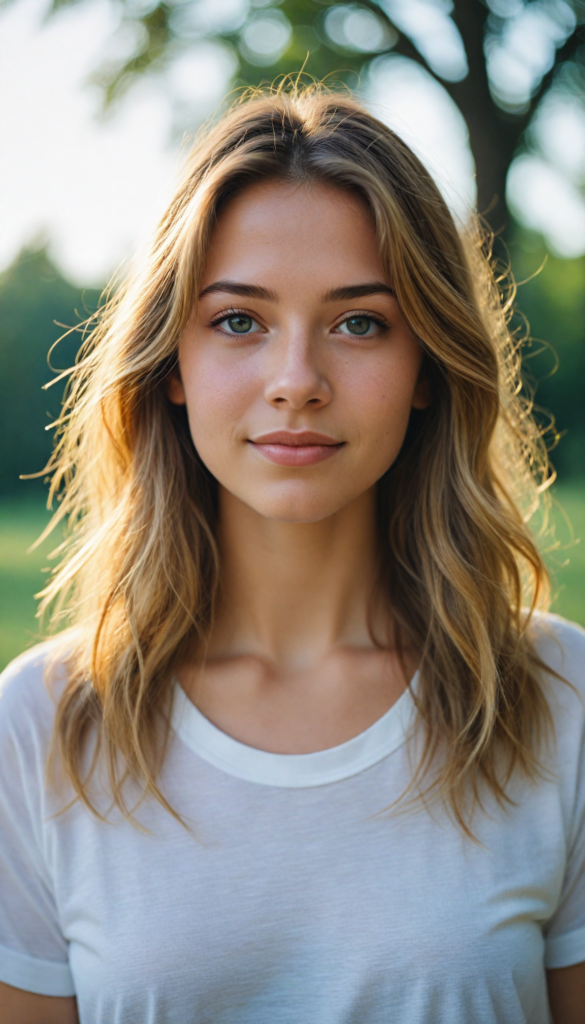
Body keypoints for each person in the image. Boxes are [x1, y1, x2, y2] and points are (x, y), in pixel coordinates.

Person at [0, 85, 584, 1024]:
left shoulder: (557, 696)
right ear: (171, 364)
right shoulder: (44, 728)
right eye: (239, 319)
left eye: (360, 322)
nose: (297, 382)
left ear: (429, 366)